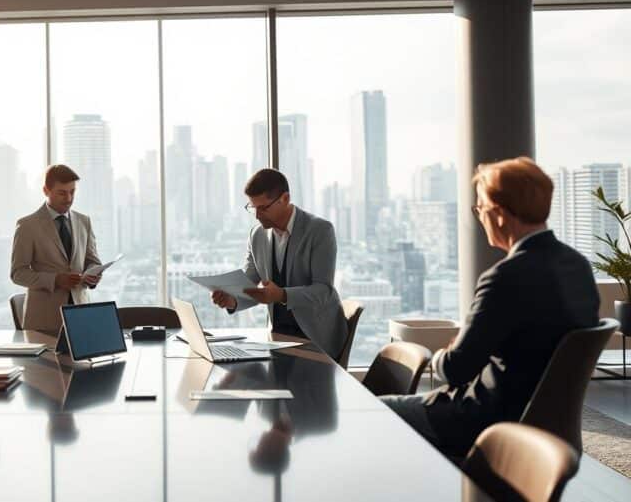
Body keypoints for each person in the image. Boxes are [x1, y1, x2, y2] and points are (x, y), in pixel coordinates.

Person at [381, 157, 599, 457]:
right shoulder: (578, 266)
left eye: (480, 208)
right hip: (548, 422)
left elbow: (455, 370)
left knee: (375, 412)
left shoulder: (504, 278)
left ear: (498, 215)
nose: (479, 217)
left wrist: (444, 354)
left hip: (484, 420)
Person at [211, 168, 347, 358]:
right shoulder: (257, 235)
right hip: (278, 338)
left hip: (316, 339)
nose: (257, 215)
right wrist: (232, 299)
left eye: (263, 208)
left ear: (285, 198)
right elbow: (249, 283)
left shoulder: (320, 230)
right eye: (252, 208)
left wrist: (282, 295)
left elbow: (324, 291)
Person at [11, 164, 102, 333]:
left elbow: (92, 261)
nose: (68, 198)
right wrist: (55, 280)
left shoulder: (84, 222)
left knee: (82, 361)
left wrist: (93, 274)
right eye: (62, 193)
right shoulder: (27, 226)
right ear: (46, 190)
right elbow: (18, 274)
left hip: (81, 316)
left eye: (72, 192)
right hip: (43, 320)